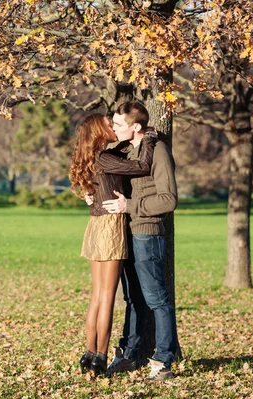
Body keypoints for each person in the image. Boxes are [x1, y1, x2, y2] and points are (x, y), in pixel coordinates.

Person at [69, 113, 156, 377]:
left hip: (95, 226)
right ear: (98, 131)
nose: (113, 127)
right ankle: (101, 357)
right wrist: (150, 140)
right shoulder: (105, 159)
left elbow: (116, 155)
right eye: (109, 124)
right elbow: (142, 166)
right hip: (109, 227)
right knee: (106, 297)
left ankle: (89, 353)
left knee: (96, 297)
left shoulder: (93, 157)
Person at [101, 101, 179, 381]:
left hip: (147, 232)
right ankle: (129, 355)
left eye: (118, 124)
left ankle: (163, 360)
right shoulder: (123, 150)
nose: (113, 128)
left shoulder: (157, 151)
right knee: (133, 299)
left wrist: (129, 206)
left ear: (136, 126)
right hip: (124, 233)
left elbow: (169, 199)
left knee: (157, 299)